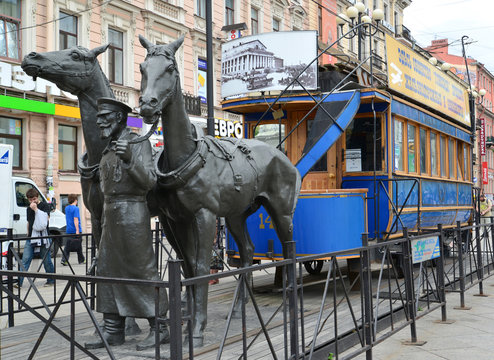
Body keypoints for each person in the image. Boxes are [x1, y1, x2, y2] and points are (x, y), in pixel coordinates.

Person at [84, 98, 168, 351]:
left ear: (119, 118)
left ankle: (160, 328)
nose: (99, 121)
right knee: (107, 270)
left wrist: (131, 158)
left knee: (140, 269)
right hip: (111, 215)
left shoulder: (136, 143)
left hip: (132, 213)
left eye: (104, 116)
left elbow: (149, 182)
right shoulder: (107, 149)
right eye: (98, 117)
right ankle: (113, 330)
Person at [18, 188, 55, 287]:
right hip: (31, 237)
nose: (32, 201)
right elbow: (29, 222)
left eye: (34, 199)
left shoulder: (44, 205)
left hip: (43, 236)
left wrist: (36, 209)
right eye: (30, 200)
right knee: (25, 259)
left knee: (46, 260)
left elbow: (45, 220)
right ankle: (19, 282)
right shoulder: (28, 208)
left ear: (37, 197)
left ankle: (51, 280)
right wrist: (28, 233)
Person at [61, 194, 85, 266]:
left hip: (68, 230)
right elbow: (76, 219)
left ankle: (64, 260)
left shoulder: (66, 208)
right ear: (75, 200)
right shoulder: (76, 208)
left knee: (67, 246)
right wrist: (77, 230)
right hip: (75, 229)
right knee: (79, 245)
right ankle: (81, 260)